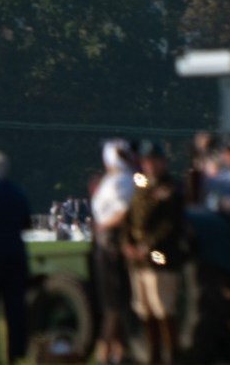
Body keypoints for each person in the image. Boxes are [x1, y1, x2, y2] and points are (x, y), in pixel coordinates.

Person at [124, 141, 186, 365]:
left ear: (162, 162)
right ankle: (154, 357)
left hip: (160, 256)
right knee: (145, 311)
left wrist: (147, 247)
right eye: (145, 161)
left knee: (163, 309)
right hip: (138, 261)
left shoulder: (171, 188)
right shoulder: (142, 187)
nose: (149, 165)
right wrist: (127, 244)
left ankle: (172, 357)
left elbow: (169, 224)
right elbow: (129, 219)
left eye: (153, 160)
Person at [91, 140, 137, 365]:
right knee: (113, 303)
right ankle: (117, 352)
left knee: (113, 304)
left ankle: (106, 351)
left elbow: (123, 212)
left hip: (111, 244)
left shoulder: (120, 180)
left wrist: (102, 226)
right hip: (108, 244)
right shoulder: (121, 179)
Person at [0, 152, 29, 365]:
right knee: (15, 309)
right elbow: (27, 223)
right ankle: (14, 353)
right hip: (15, 256)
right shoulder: (17, 193)